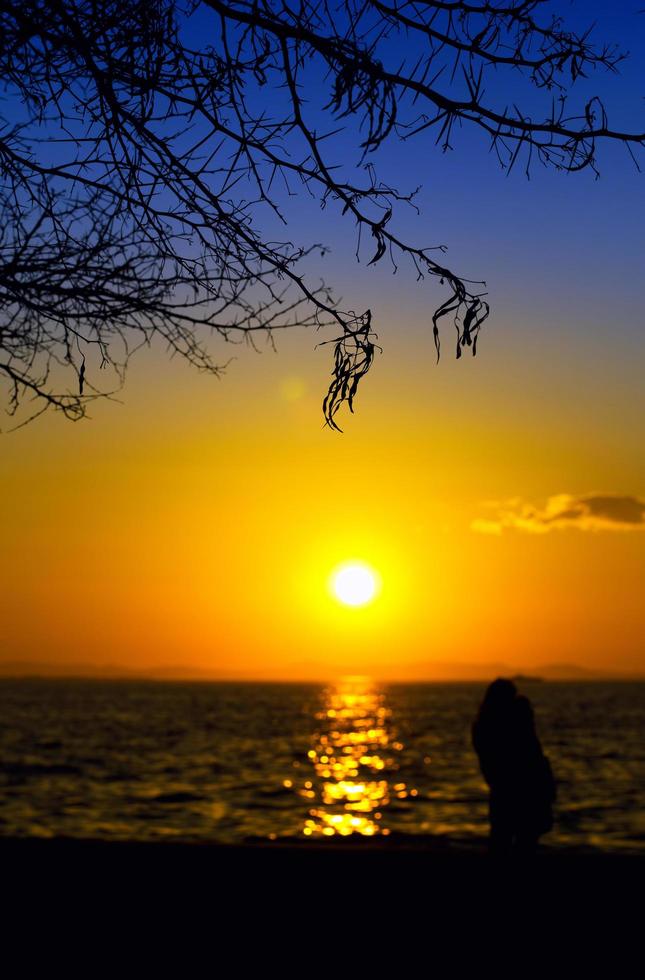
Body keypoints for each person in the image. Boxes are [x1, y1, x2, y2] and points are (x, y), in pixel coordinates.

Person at [472, 679, 556, 857]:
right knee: (524, 841)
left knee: (501, 839)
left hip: (501, 789)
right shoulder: (514, 725)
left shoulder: (482, 725)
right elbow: (533, 755)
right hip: (522, 789)